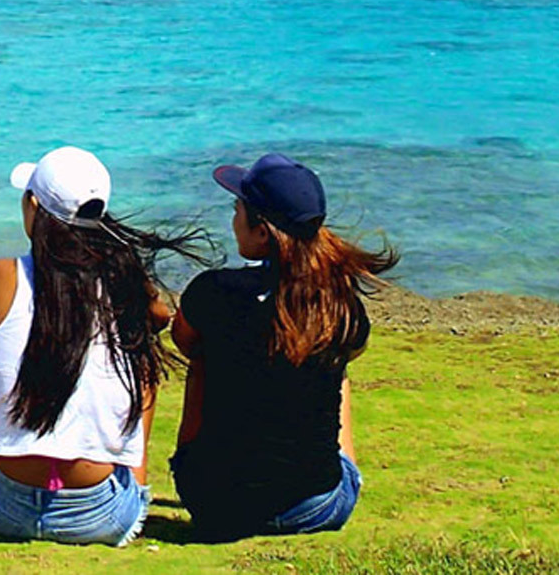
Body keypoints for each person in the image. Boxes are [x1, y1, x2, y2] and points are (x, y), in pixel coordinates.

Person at [0, 146, 199, 546]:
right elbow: (160, 316)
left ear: (33, 205)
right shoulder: (121, 279)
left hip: (1, 509)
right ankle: (136, 479)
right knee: (139, 340)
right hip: (103, 515)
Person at [169, 153, 398, 541]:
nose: (234, 218)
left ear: (262, 232)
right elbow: (353, 350)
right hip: (318, 507)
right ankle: (316, 473)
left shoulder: (213, 291)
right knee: (334, 364)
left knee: (206, 357)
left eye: (237, 208)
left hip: (215, 506)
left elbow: (184, 340)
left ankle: (198, 464)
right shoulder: (337, 305)